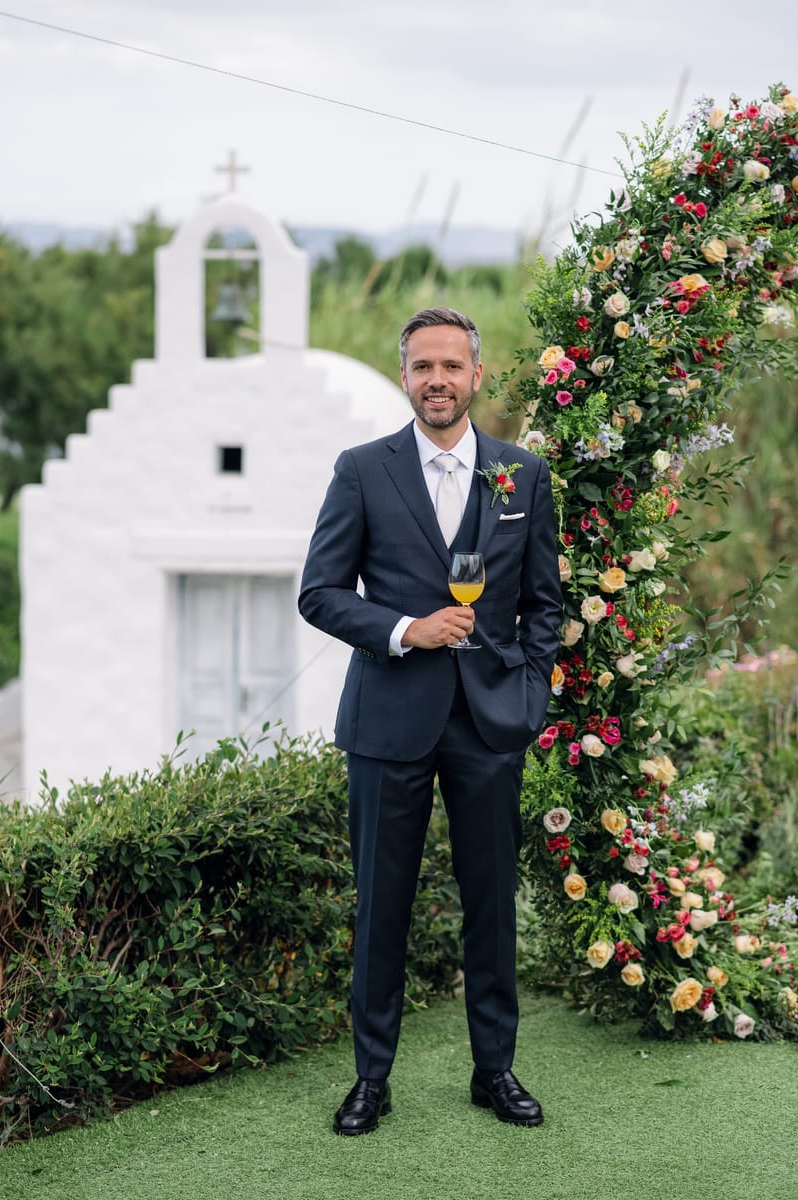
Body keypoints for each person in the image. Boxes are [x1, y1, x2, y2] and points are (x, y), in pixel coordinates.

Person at [299, 307, 562, 1135]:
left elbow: (546, 606)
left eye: (453, 366)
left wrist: (527, 695)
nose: (438, 380)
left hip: (490, 725)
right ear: (405, 375)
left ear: (478, 376)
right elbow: (320, 592)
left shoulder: (523, 475)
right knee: (382, 906)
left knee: (491, 902)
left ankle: (495, 1071)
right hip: (388, 720)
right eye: (423, 367)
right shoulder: (361, 470)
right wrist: (406, 630)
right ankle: (371, 1080)